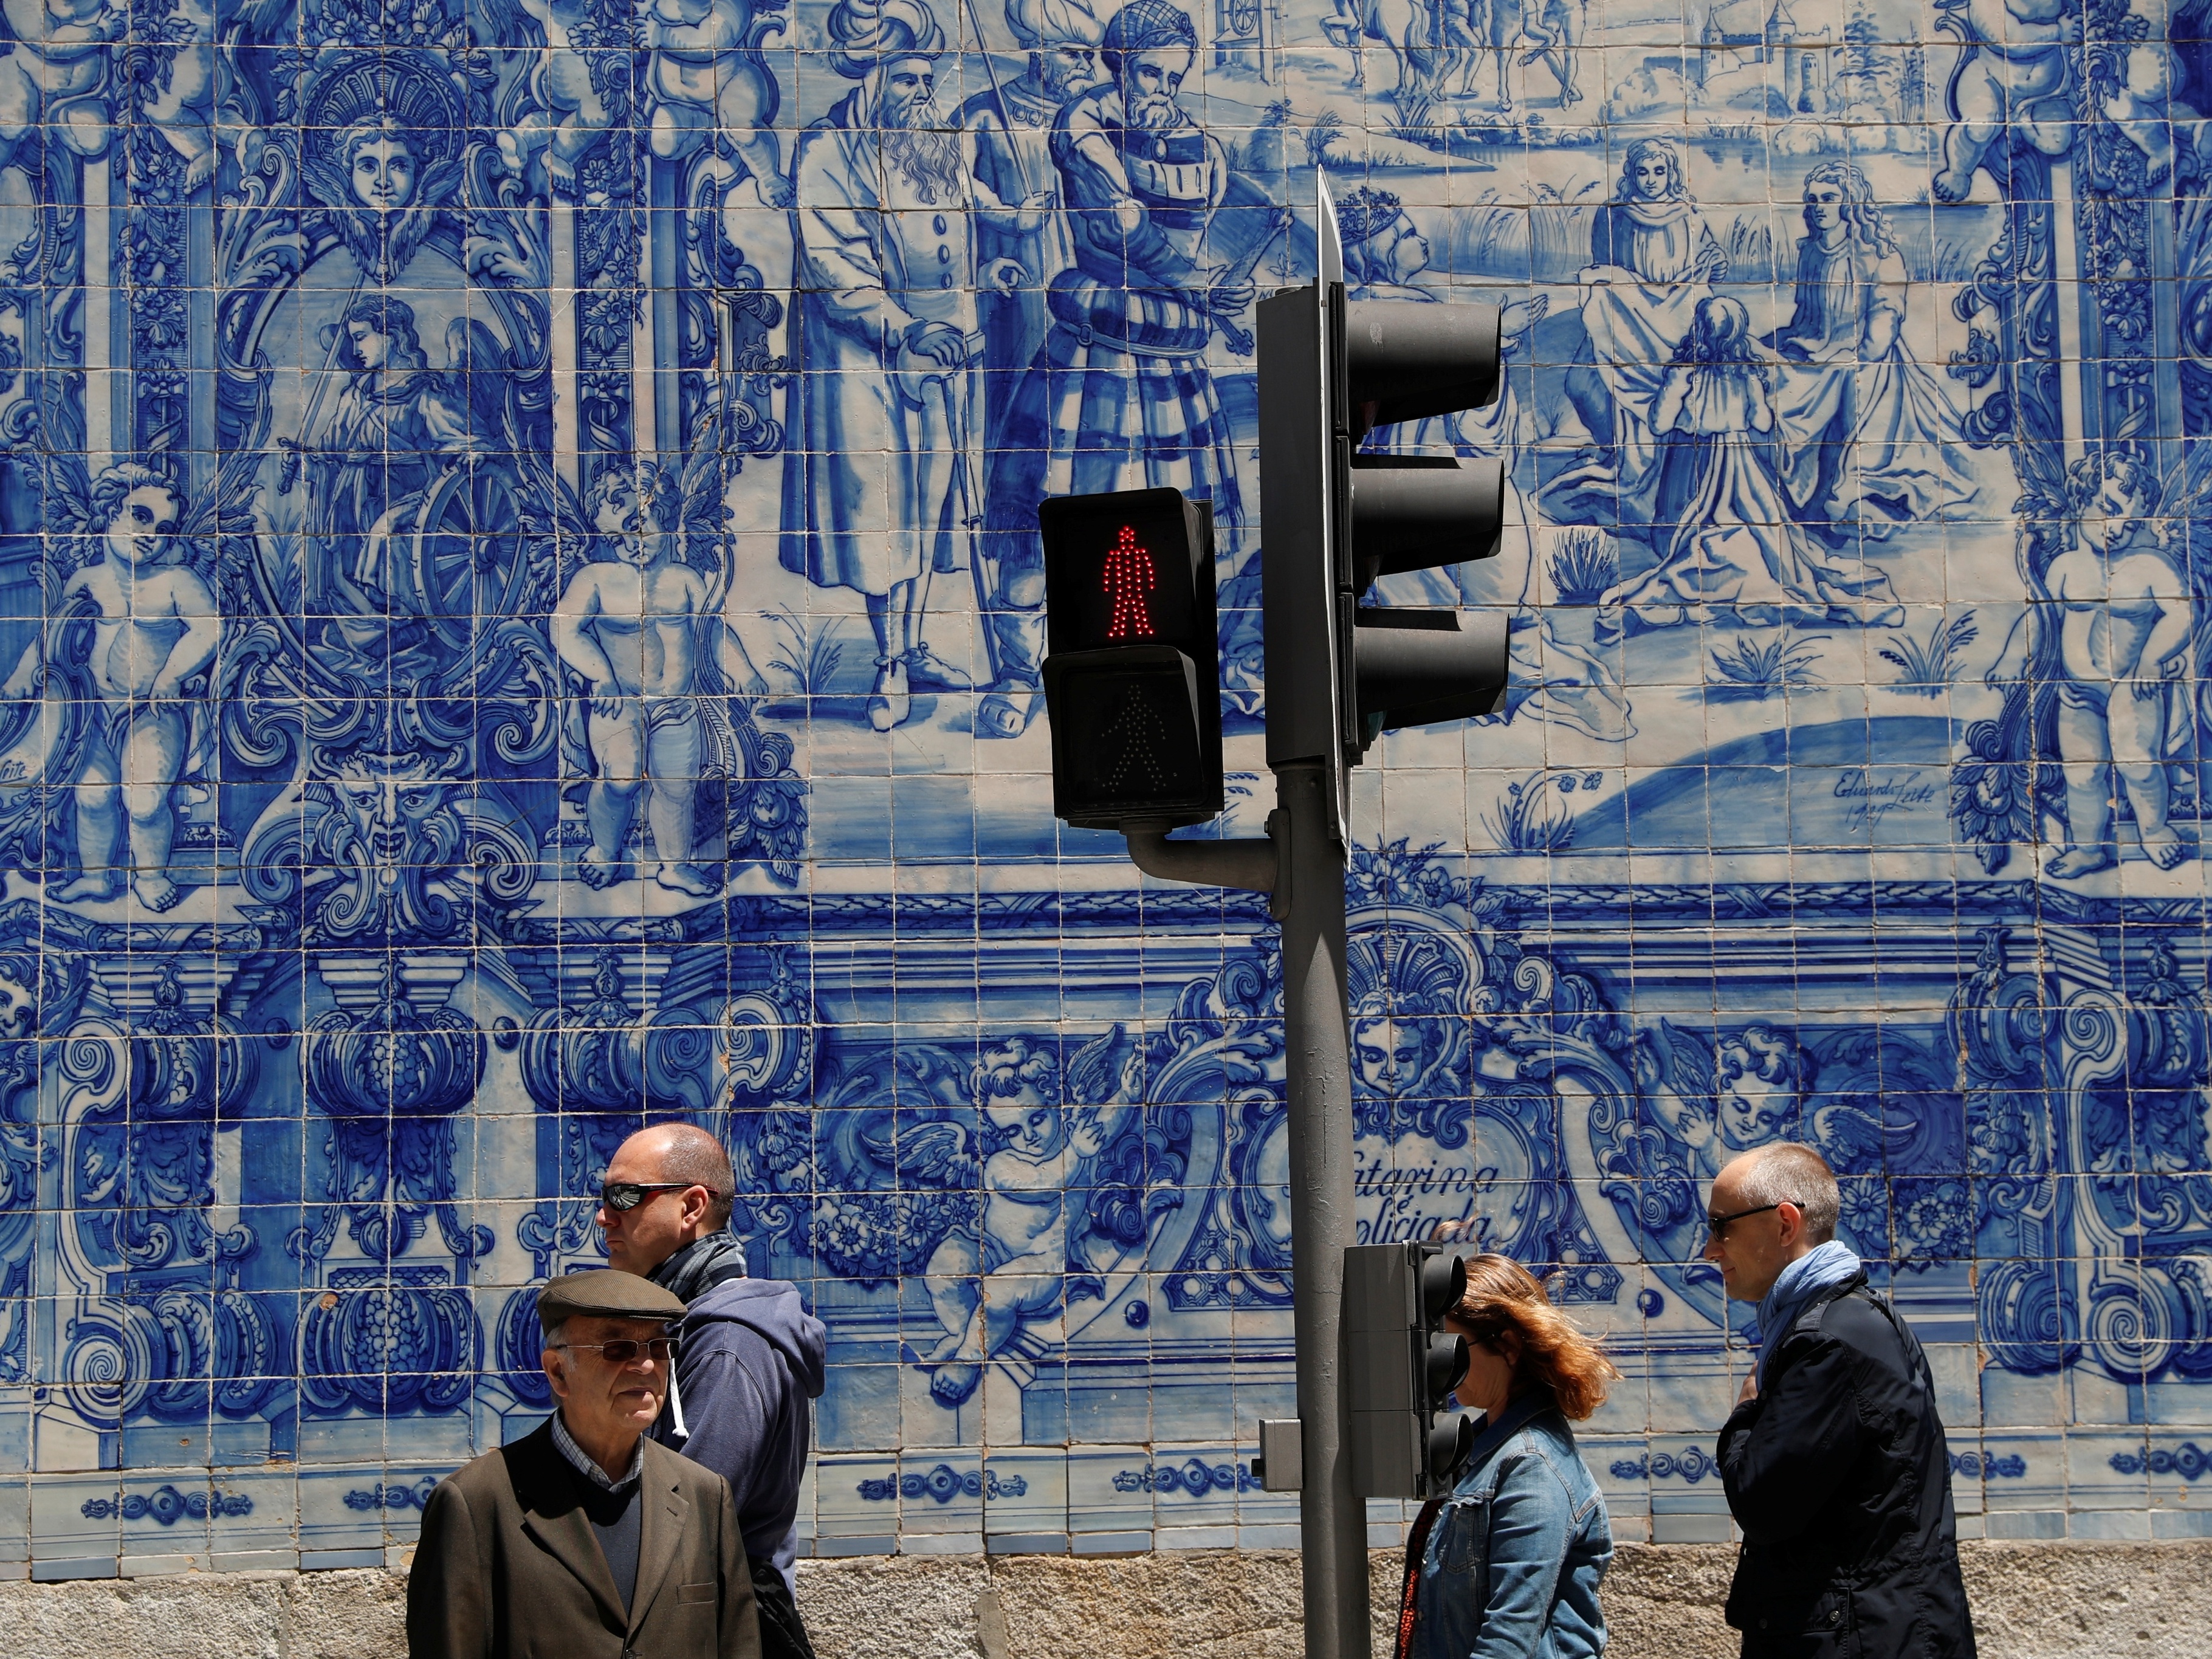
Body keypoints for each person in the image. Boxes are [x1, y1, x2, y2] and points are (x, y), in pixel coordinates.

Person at [978, 0, 1253, 740]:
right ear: (1116, 64)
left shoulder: (1197, 144)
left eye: (1176, 77)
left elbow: (1195, 221)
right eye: (1153, 74)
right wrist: (1202, 285)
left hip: (1172, 363)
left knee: (1177, 532)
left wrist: (1219, 297)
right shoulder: (1081, 129)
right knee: (1048, 520)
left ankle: (1160, 672)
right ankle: (1017, 670)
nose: (1165, 90)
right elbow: (1122, 229)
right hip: (1093, 352)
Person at [778, 0, 1039, 732]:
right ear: (871, 83)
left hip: (946, 354)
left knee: (931, 511)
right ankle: (889, 664)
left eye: (930, 79)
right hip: (867, 364)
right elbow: (836, 266)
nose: (925, 94)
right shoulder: (826, 153)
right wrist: (904, 329)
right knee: (881, 517)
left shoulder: (932, 143)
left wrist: (988, 278)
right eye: (909, 81)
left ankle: (914, 643)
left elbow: (954, 229)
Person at [1704, 1143, 1977, 1658]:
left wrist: (1745, 1415)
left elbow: (1764, 1504)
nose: (1710, 1250)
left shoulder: (1827, 1342)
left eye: (1721, 1227)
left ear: (1785, 1224)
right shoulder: (1854, 1319)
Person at [405, 1269, 762, 1659]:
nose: (646, 1367)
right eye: (618, 1349)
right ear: (558, 1371)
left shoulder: (706, 1495)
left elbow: (737, 1645)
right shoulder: (475, 1504)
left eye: (659, 1348)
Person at [599, 1123, 827, 1659]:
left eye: (625, 1196)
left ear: (692, 1206)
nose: (604, 1216)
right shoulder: (689, 1327)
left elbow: (683, 1525)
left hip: (715, 1629)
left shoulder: (729, 1343)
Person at [1595, 295, 1904, 637]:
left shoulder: (1684, 374)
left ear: (1699, 331)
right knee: (1764, 528)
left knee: (1682, 536)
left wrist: (1686, 404)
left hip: (1691, 465)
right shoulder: (1747, 376)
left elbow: (1658, 424)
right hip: (1740, 465)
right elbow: (1761, 421)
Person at [2, 464, 219, 913]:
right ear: (108, 512)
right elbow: (55, 634)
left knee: (143, 800)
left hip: (152, 711)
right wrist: (24, 673)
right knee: (93, 796)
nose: (150, 534)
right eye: (139, 515)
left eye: (164, 528)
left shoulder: (176, 582)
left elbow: (208, 630)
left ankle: (151, 876)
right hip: (91, 713)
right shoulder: (87, 580)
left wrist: (171, 675)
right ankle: (96, 878)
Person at [552, 468, 771, 897]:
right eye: (617, 536)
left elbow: (712, 632)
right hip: (620, 704)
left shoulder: (684, 579)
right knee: (621, 778)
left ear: (664, 519)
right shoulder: (595, 579)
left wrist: (743, 669)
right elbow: (563, 629)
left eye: (640, 527)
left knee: (676, 788)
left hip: (677, 706)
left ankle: (675, 866)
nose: (630, 544)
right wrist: (602, 676)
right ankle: (605, 850)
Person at [1395, 1253, 1615, 1659]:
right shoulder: (1484, 1450)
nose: (1439, 1364)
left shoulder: (1531, 1465)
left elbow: (1509, 1638)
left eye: (1451, 1347)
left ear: (1508, 1345)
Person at [1985, 450, 2193, 878]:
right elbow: (2041, 620)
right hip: (2077, 693)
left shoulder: (2150, 566)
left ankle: (2153, 830)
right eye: (2109, 510)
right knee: (2081, 774)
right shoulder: (2065, 567)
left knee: (2138, 761)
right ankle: (2089, 848)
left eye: (2130, 523)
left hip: (2132, 688)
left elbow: (2182, 613)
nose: (2117, 528)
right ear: (2082, 500)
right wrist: (2010, 655)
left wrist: (2153, 659)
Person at [1767, 162, 1978, 541]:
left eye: (1829, 199)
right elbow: (1804, 321)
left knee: (1846, 392)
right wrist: (1775, 344)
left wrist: (1842, 358)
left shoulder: (1880, 256)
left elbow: (1881, 332)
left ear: (1850, 205)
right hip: (1817, 355)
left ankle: (1845, 493)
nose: (1819, 208)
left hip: (1869, 366)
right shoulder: (1811, 254)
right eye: (1812, 200)